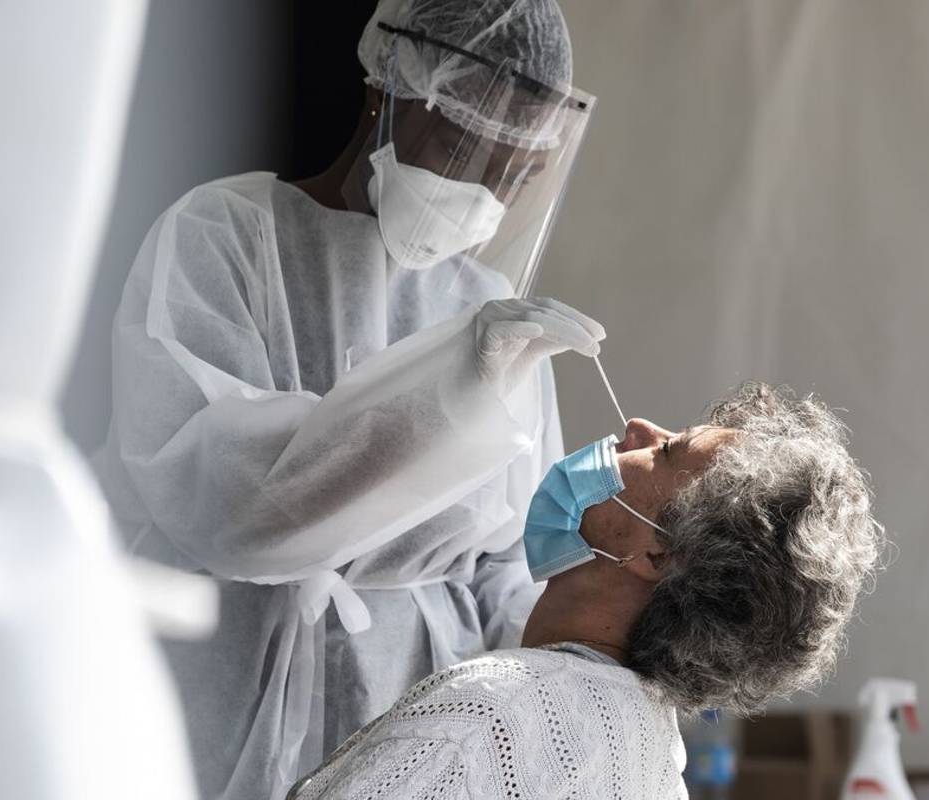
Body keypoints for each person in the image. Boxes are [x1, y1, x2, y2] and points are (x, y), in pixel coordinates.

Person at [90, 1, 597, 797]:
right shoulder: (223, 236)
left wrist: (581, 689)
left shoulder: (492, 313)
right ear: (388, 86)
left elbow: (509, 566)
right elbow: (230, 503)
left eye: (517, 174)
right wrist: (445, 395)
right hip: (219, 689)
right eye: (468, 150)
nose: (487, 197)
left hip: (411, 709)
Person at [288, 382, 884, 799]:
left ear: (656, 554)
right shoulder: (651, 752)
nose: (636, 430)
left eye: (666, 451)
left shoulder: (492, 716)